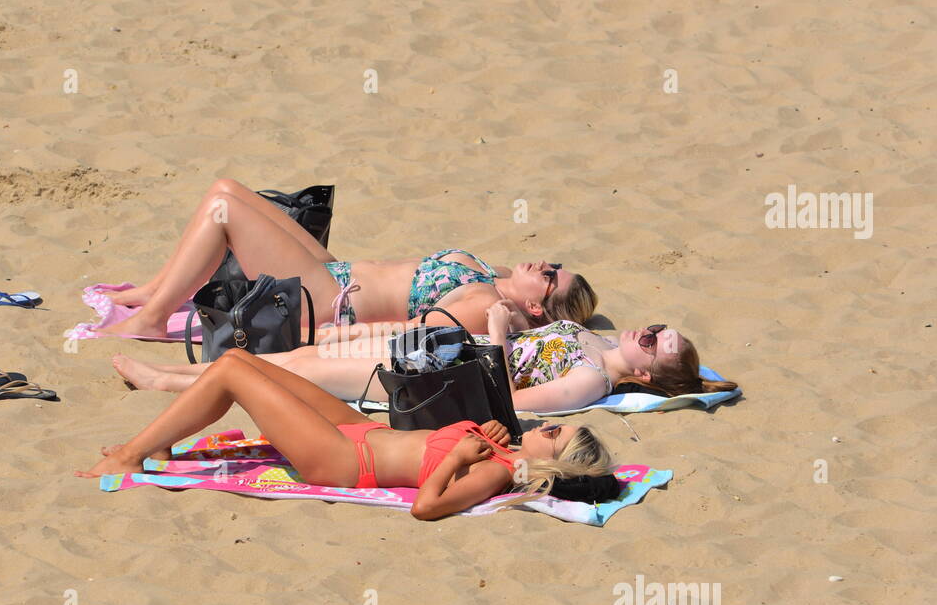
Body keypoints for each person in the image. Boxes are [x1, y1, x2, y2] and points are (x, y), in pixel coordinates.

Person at [76, 349, 616, 520]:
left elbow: (427, 508)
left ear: (555, 464)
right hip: (359, 430)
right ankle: (161, 441)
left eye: (557, 434)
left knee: (230, 375)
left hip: (341, 460)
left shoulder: (498, 471)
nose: (549, 426)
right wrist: (486, 434)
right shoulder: (502, 445)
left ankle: (128, 455)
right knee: (241, 359)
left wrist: (458, 461)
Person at [92, 178, 596, 338]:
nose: (543, 266)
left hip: (329, 302)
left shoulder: (488, 306)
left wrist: (333, 337)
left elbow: (405, 334)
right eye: (551, 262)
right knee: (225, 189)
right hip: (335, 270)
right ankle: (150, 294)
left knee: (225, 212)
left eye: (550, 278)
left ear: (537, 309)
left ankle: (153, 320)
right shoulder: (498, 276)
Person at [109, 302, 738, 413]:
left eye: (657, 343)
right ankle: (176, 375)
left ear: (649, 373)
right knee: (300, 352)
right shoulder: (596, 340)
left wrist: (495, 336)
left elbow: (507, 402)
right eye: (657, 325)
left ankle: (168, 384)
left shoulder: (590, 380)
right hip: (438, 347)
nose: (649, 332)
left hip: (432, 377)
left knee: (292, 372)